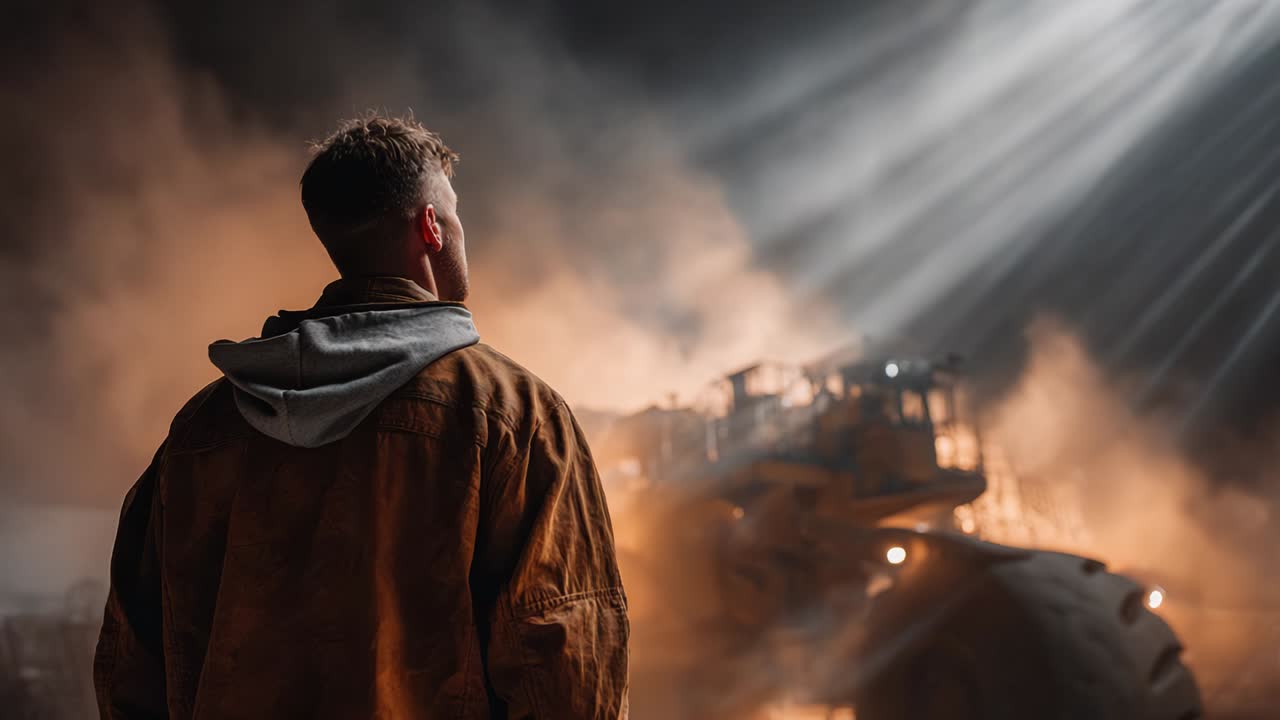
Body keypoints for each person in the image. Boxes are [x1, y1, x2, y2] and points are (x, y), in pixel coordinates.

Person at [94, 114, 629, 719]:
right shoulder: (515, 417)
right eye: (454, 213)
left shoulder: (201, 431)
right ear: (431, 226)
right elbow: (564, 656)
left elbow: (131, 664)